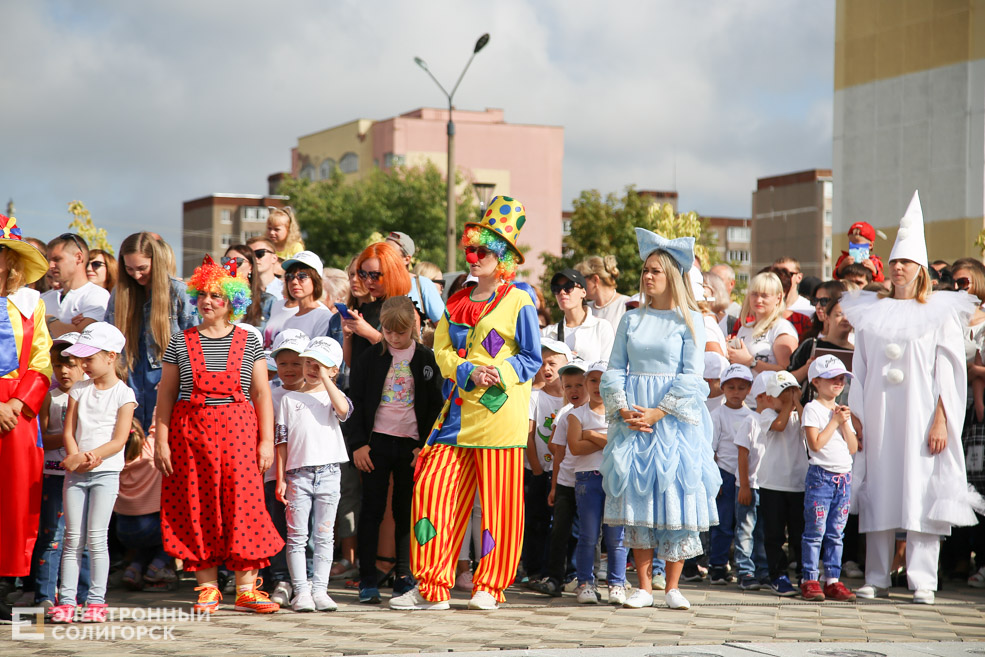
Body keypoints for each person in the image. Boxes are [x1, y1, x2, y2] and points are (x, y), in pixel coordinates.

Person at [391, 195, 541, 611]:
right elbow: (440, 351)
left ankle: (490, 586)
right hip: (456, 414)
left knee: (498, 506)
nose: (473, 257)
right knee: (431, 491)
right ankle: (433, 585)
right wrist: (466, 370)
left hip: (499, 416)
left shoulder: (520, 300)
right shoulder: (455, 303)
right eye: (471, 249)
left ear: (504, 258)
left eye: (482, 251)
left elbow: (532, 357)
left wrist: (499, 371)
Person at [843, 191, 985, 604]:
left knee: (922, 488)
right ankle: (877, 574)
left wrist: (942, 418)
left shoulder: (939, 313)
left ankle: (923, 578)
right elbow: (863, 369)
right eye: (895, 262)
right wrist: (858, 417)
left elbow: (950, 373)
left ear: (920, 268)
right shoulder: (872, 313)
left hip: (923, 414)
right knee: (881, 486)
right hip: (880, 413)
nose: (899, 267)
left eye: (906, 262)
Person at [601, 228, 721, 610]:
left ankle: (672, 586)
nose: (648, 276)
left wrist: (659, 410)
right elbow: (615, 367)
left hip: (673, 421)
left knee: (674, 492)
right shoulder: (631, 319)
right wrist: (623, 406)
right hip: (633, 417)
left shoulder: (690, 320)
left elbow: (691, 375)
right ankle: (643, 587)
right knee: (638, 495)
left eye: (656, 270)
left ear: (672, 276)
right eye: (646, 270)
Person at [155, 255, 282, 614]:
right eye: (203, 295)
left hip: (240, 429)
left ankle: (246, 588)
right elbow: (166, 395)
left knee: (245, 504)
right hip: (190, 432)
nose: (207, 302)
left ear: (231, 302)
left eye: (216, 296)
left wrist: (267, 440)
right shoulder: (180, 342)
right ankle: (207, 586)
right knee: (196, 503)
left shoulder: (249, 340)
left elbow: (261, 394)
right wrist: (161, 440)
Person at [348, 296, 443, 604]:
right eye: (388, 331)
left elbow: (434, 407)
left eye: (400, 332)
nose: (393, 337)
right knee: (372, 510)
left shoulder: (426, 358)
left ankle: (404, 575)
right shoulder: (370, 358)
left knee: (406, 511)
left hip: (410, 446)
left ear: (413, 328)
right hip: (375, 443)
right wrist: (359, 444)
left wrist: (423, 447)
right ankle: (367, 578)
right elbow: (356, 403)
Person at [50, 323, 137, 624]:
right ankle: (67, 601)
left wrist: (91, 457)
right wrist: (75, 455)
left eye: (90, 358)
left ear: (111, 357)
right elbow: (69, 429)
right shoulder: (79, 389)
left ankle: (96, 601)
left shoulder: (124, 394)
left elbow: (119, 439)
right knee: (73, 538)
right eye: (81, 359)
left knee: (97, 538)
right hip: (76, 473)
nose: (83, 365)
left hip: (106, 473)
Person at [0, 215, 55, 621]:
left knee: (17, 498)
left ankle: (5, 585)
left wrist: (18, 404)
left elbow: (41, 359)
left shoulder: (30, 303)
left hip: (19, 409)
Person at [275, 337, 351, 612]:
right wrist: (281, 476)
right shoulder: (288, 399)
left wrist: (327, 379)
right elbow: (281, 440)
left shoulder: (334, 397)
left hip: (330, 473)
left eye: (318, 364)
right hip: (298, 476)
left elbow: (343, 410)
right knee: (297, 537)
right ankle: (301, 591)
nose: (310, 368)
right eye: (308, 362)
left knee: (324, 535)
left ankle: (320, 590)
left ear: (333, 370)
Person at [106, 232, 196, 433]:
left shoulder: (179, 293)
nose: (136, 276)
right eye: (129, 269)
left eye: (142, 268)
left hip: (168, 382)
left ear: (157, 262)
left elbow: (196, 346)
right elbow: (108, 341)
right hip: (130, 380)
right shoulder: (119, 295)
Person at [32, 333, 90, 610]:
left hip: (86, 476)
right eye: (58, 365)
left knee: (86, 536)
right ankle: (44, 594)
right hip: (54, 475)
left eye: (71, 364)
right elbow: (43, 436)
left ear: (84, 365)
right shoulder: (50, 397)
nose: (64, 371)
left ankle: (85, 595)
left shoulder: (91, 396)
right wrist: (70, 437)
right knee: (52, 534)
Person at [568, 360, 628, 605]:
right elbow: (574, 447)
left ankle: (617, 583)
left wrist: (591, 434)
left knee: (616, 537)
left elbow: (621, 445)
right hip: (587, 479)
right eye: (592, 380)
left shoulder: (620, 415)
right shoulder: (576, 414)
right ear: (585, 383)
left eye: (604, 381)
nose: (598, 386)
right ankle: (585, 583)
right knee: (589, 535)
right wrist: (606, 440)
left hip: (615, 478)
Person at [800, 355, 858, 602]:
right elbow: (815, 445)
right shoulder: (812, 409)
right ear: (815, 381)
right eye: (831, 378)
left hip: (844, 478)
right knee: (815, 530)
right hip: (821, 477)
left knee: (836, 532)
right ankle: (809, 578)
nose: (838, 382)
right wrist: (835, 421)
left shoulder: (841, 412)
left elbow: (853, 447)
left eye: (841, 378)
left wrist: (844, 423)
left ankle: (832, 579)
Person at [529, 359, 588, 598]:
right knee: (559, 531)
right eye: (568, 386)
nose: (573, 391)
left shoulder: (598, 413)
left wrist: (590, 437)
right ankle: (554, 577)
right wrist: (553, 486)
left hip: (590, 482)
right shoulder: (564, 413)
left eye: (579, 385)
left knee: (584, 532)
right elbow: (557, 449)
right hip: (564, 482)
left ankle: (581, 576)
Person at [264, 329, 310, 607]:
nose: (290, 369)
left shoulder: (317, 392)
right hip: (274, 476)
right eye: (283, 363)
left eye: (297, 363)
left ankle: (309, 580)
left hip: (309, 473)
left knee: (309, 528)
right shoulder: (269, 393)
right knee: (279, 526)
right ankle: (281, 578)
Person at [522, 338, 570, 585]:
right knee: (536, 521)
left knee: (561, 524)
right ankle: (533, 570)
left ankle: (560, 570)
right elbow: (528, 436)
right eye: (542, 363)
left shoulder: (571, 397)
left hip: (563, 472)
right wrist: (538, 470)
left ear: (566, 363)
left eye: (552, 362)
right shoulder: (534, 396)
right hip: (537, 471)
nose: (546, 368)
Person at [756, 371, 806, 596]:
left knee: (800, 533)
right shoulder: (766, 414)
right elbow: (779, 426)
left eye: (790, 394)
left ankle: (806, 575)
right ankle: (778, 575)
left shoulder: (801, 414)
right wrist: (788, 405)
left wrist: (797, 402)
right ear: (769, 397)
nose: (785, 399)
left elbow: (809, 425)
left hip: (799, 484)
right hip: (772, 484)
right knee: (774, 535)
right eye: (780, 395)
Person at [117, 418, 176, 591]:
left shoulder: (115, 461)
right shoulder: (150, 452)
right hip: (150, 526)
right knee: (176, 532)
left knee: (147, 543)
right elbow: (159, 425)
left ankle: (133, 569)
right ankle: (156, 568)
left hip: (124, 531)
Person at [344, 243, 411, 368]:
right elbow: (352, 364)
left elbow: (404, 355)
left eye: (375, 276)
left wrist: (369, 333)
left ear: (392, 274)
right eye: (363, 274)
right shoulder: (367, 308)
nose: (368, 281)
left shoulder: (404, 307)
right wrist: (347, 336)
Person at [727, 272, 798, 373]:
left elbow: (788, 371)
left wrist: (750, 362)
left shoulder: (782, 328)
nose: (758, 300)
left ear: (778, 298)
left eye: (764, 295)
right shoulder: (744, 328)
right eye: (754, 294)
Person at [42, 233, 110, 337]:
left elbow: (79, 336)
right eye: (49, 260)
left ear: (78, 257)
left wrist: (49, 320)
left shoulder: (97, 295)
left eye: (57, 259)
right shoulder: (43, 298)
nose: (51, 266)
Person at [542, 268, 615, 363]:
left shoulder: (602, 327)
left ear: (583, 292)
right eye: (556, 289)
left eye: (569, 287)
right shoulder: (547, 333)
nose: (562, 292)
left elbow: (608, 366)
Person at [386, 231, 445, 326]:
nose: (384, 257)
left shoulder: (422, 284)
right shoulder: (376, 284)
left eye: (390, 253)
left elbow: (443, 326)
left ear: (406, 259)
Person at [279, 251, 333, 341]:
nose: (294, 282)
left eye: (302, 276)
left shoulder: (324, 317)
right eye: (289, 276)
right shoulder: (289, 321)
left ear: (316, 280)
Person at [224, 244, 274, 331]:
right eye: (226, 260)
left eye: (238, 262)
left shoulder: (267, 301)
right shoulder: (212, 298)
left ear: (251, 267)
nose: (230, 266)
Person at [575, 255, 628, 330]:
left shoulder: (627, 305)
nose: (577, 285)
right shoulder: (585, 309)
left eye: (580, 280)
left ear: (595, 279)